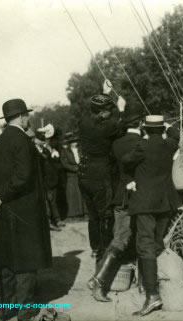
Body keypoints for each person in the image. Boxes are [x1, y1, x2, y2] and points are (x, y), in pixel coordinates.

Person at [0, 99, 52, 321]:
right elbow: (23, 177)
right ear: (22, 117)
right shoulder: (23, 141)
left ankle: (6, 307)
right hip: (25, 209)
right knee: (27, 259)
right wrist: (2, 196)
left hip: (2, 210)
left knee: (7, 258)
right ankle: (26, 310)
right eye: (27, 116)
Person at [122, 115, 179, 316]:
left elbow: (125, 160)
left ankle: (152, 295)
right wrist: (169, 128)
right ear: (161, 129)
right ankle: (149, 285)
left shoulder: (142, 146)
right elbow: (175, 134)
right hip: (165, 204)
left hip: (145, 203)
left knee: (144, 245)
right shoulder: (170, 144)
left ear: (145, 130)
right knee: (155, 244)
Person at [88, 104, 145, 302]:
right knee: (125, 239)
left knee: (121, 236)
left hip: (120, 196)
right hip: (138, 198)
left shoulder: (116, 143)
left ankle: (103, 279)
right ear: (141, 123)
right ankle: (99, 280)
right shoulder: (142, 143)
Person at [78, 80, 126, 259]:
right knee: (105, 214)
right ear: (102, 112)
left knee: (92, 215)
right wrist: (121, 109)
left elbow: (98, 116)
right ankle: (105, 249)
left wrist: (105, 94)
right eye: (108, 111)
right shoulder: (107, 126)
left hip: (84, 174)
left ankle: (95, 248)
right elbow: (121, 126)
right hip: (100, 175)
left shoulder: (83, 122)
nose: (110, 113)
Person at [33, 131, 63, 231]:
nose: (43, 142)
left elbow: (51, 164)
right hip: (41, 180)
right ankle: (49, 222)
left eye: (43, 140)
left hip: (50, 179)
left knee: (52, 200)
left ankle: (57, 219)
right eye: (41, 140)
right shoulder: (33, 151)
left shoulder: (46, 150)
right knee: (46, 201)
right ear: (36, 140)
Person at [60, 132, 87, 218]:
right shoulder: (65, 151)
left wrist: (83, 167)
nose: (75, 143)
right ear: (69, 142)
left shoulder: (81, 149)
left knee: (83, 193)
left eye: (76, 141)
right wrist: (74, 168)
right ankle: (74, 214)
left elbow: (85, 159)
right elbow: (64, 163)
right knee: (73, 194)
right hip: (71, 176)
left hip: (82, 174)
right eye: (73, 141)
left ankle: (85, 212)